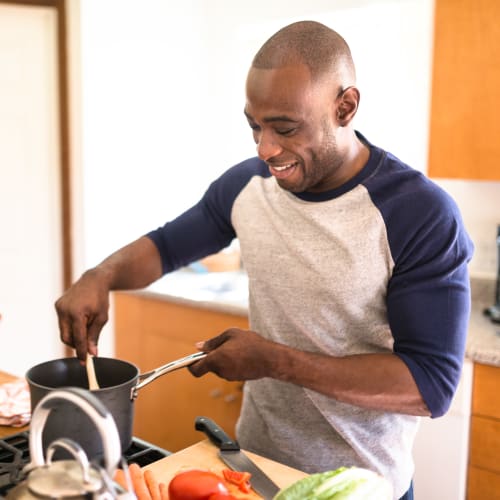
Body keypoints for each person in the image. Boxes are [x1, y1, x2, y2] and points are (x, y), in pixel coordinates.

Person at [55, 21, 473, 500]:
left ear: (345, 107)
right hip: (250, 473)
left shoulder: (418, 213)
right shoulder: (247, 185)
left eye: (285, 128)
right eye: (255, 125)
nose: (265, 148)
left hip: (357, 487)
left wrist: (275, 360)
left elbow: (430, 387)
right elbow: (167, 247)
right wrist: (99, 275)